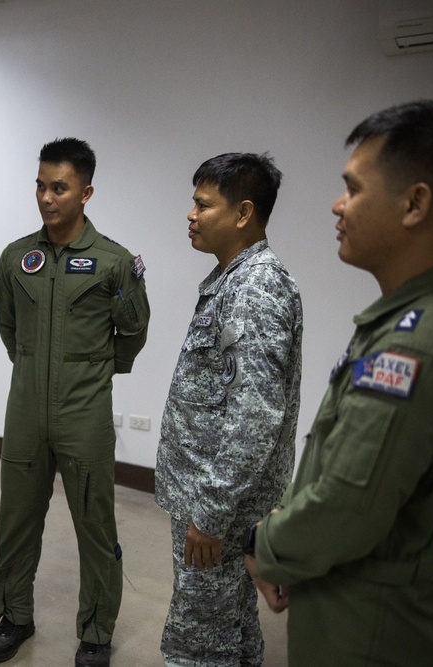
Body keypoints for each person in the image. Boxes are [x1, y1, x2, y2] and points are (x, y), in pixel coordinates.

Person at [245, 100, 433, 666]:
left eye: (352, 188)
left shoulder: (414, 345)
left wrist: (268, 547)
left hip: (372, 631)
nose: (337, 204)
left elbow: (349, 504)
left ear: (415, 203)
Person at [0, 137, 150, 667]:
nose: (46, 197)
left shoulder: (114, 263)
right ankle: (14, 616)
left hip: (85, 414)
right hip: (26, 409)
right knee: (16, 521)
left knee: (96, 528)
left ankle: (97, 633)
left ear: (86, 192)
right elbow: (9, 328)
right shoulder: (17, 258)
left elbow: (133, 332)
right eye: (40, 185)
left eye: (59, 187)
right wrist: (34, 370)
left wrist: (93, 372)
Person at [155, 153, 303, 666]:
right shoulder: (234, 279)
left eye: (202, 204)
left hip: (218, 506)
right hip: (219, 500)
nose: (190, 215)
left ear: (243, 213)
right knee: (232, 626)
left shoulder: (254, 289)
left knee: (199, 642)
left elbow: (255, 416)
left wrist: (212, 513)